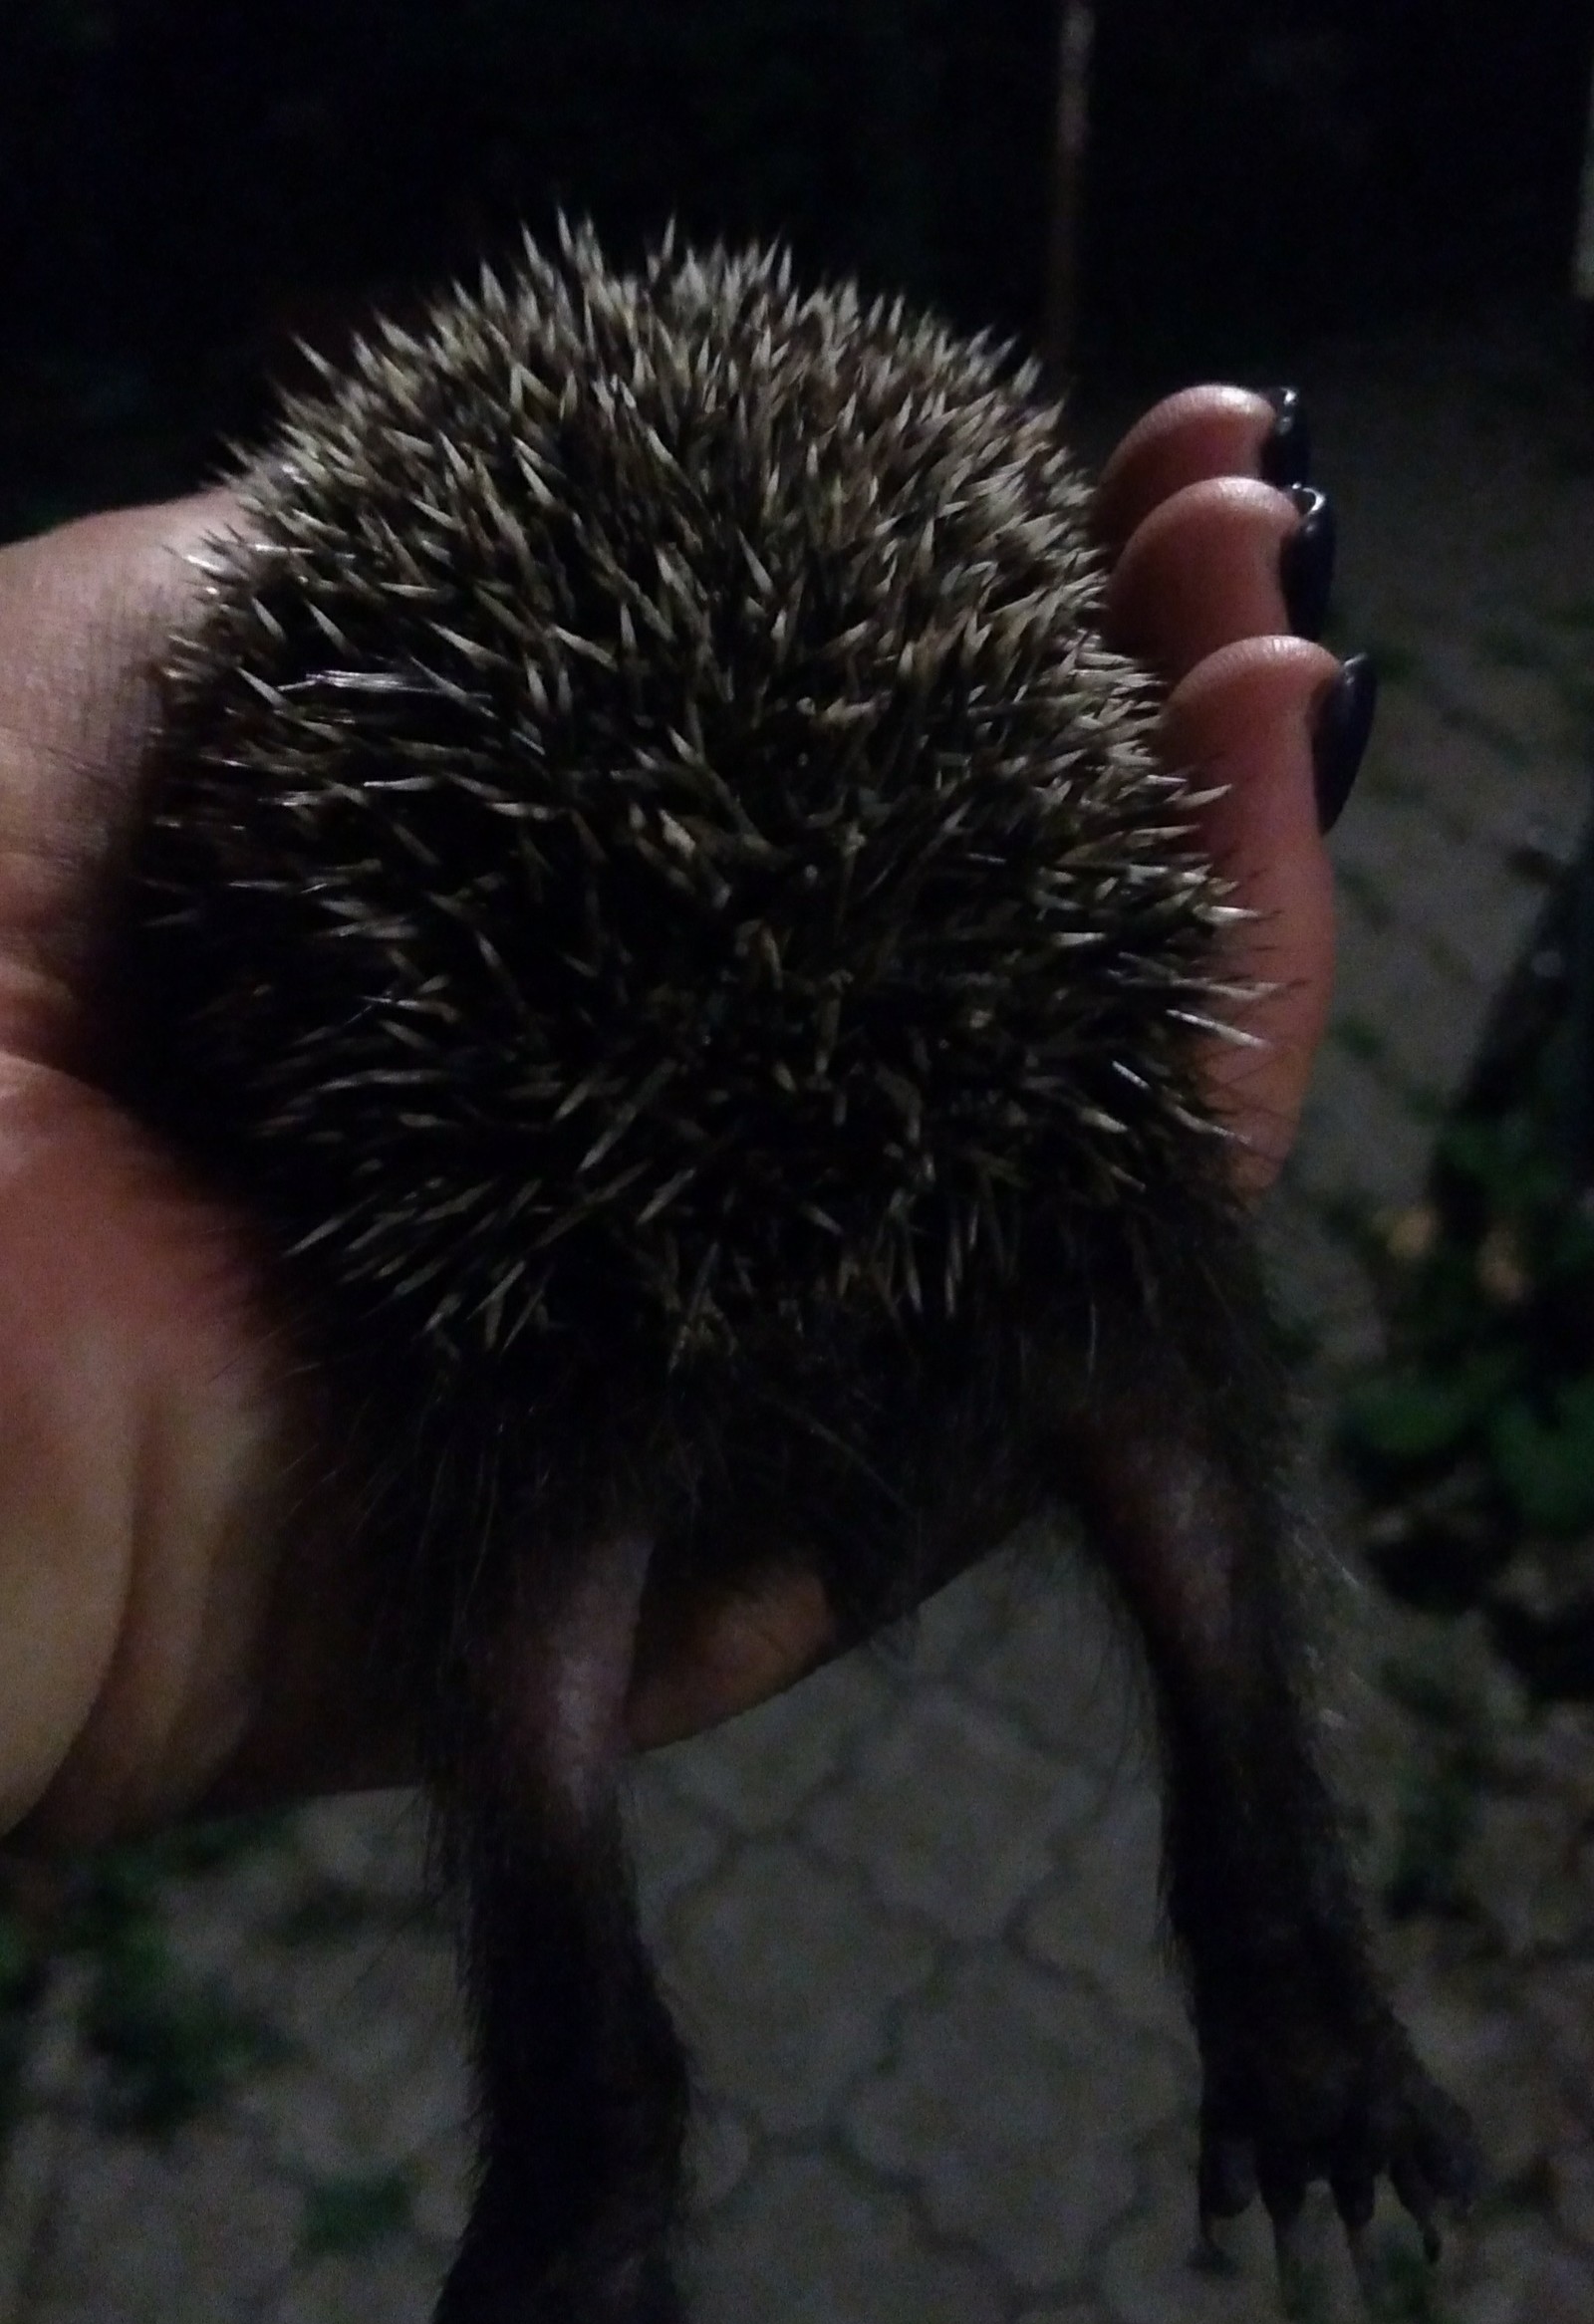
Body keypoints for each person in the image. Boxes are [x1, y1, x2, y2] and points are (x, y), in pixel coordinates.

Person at [0, 382, 1367, 1851]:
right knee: (1141, 1339)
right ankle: (1284, 1928)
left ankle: (574, 2013)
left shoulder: (362, 610)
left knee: (542, 1534)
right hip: (982, 1072)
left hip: (548, 1209)